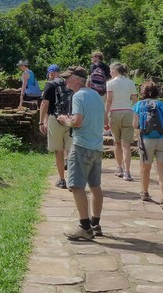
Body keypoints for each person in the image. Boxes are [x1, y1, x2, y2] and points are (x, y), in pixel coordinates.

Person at [58, 66, 105, 241]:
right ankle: (96, 223)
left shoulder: (78, 96)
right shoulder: (96, 95)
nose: (65, 81)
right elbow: (104, 121)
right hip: (96, 147)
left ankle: (84, 227)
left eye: (68, 77)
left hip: (81, 145)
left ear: (77, 79)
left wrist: (65, 120)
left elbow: (77, 122)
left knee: (76, 186)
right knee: (95, 186)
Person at [133, 80, 163, 209]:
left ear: (143, 92)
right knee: (162, 171)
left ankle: (145, 192)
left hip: (146, 140)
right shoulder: (161, 105)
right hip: (162, 139)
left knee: (145, 167)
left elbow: (135, 125)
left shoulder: (139, 105)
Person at [39, 64, 72, 189]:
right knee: (70, 150)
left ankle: (62, 180)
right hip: (69, 119)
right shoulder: (68, 83)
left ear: (50, 73)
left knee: (58, 151)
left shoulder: (50, 85)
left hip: (55, 118)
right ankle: (72, 180)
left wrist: (41, 121)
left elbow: (44, 104)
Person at [105, 62, 138, 181]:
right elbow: (135, 99)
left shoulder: (110, 83)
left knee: (117, 142)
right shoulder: (130, 82)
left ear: (115, 70)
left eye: (110, 70)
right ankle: (127, 171)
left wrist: (105, 114)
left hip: (115, 112)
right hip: (128, 112)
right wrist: (136, 114)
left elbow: (109, 100)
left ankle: (119, 168)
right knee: (126, 144)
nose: (110, 73)